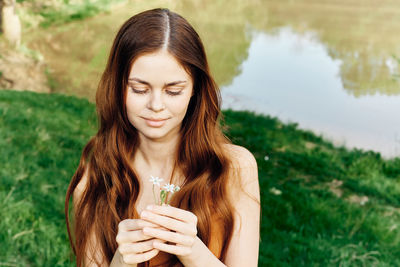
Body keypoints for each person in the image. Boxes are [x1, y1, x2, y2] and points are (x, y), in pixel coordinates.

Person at [65, 8, 260, 267]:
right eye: (139, 89)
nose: (156, 105)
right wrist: (122, 260)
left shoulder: (235, 167)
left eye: (173, 90)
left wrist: (193, 252)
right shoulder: (94, 180)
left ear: (195, 90)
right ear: (117, 86)